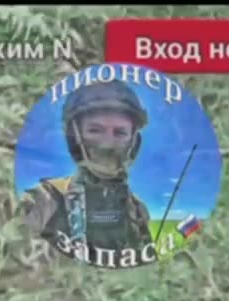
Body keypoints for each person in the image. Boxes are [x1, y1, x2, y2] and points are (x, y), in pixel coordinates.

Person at [20, 80, 153, 254]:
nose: (107, 145)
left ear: (134, 141)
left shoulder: (137, 211)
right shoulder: (43, 201)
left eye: (120, 133)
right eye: (95, 131)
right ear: (74, 136)